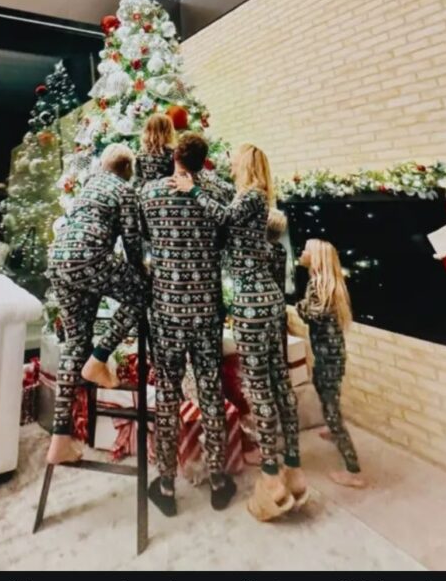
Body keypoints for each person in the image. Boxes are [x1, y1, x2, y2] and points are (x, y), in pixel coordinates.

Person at [171, 143, 307, 521]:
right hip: (270, 301)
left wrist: (192, 190)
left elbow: (223, 218)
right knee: (280, 383)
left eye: (233, 161)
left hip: (251, 303)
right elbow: (229, 208)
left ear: (245, 163)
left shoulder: (250, 196)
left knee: (259, 387)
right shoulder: (255, 198)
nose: (229, 165)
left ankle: (271, 477)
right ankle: (293, 470)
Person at [140, 132, 235, 517]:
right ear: (202, 161)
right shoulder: (218, 195)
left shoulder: (149, 194)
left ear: (174, 156)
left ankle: (165, 484)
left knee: (167, 393)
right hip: (207, 311)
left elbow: (143, 238)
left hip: (167, 313)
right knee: (211, 390)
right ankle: (218, 481)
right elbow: (227, 229)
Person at [46, 144, 148, 466]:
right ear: (128, 170)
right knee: (141, 293)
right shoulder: (125, 190)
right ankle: (98, 359)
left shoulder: (89, 186)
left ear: (104, 165)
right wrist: (140, 270)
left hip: (59, 262)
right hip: (90, 259)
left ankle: (60, 440)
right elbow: (132, 242)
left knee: (75, 342)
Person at [297, 239, 367, 488]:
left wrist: (300, 306)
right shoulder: (328, 284)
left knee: (331, 409)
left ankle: (353, 469)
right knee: (323, 389)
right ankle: (332, 428)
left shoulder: (318, 286)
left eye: (306, 250)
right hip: (331, 355)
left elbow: (310, 314)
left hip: (328, 358)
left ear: (315, 257)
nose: (302, 252)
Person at [136, 113, 176, 185]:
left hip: (146, 190)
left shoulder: (141, 153)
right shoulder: (172, 153)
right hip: (165, 189)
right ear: (168, 132)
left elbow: (138, 176)